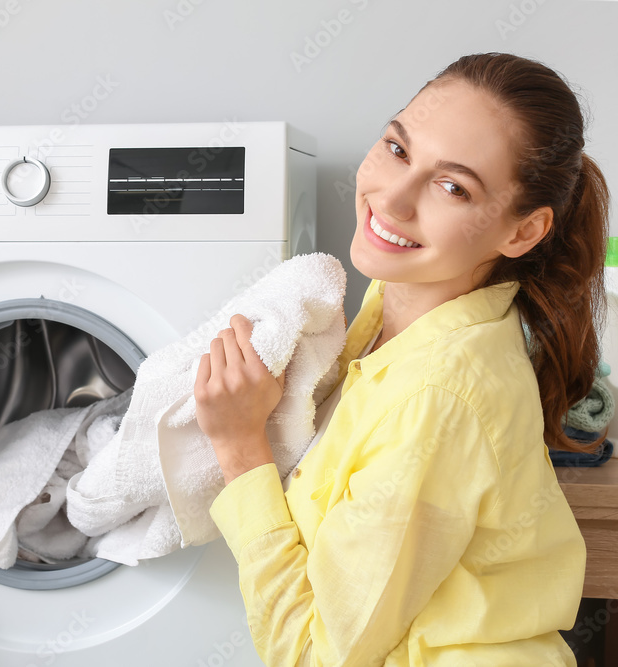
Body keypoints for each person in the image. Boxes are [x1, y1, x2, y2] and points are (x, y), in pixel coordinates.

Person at [194, 52, 610, 666]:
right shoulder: (399, 298)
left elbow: (315, 657)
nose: (392, 200)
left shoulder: (437, 396)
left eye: (452, 187)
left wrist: (238, 448)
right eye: (397, 148)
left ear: (522, 233)